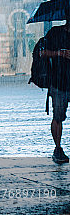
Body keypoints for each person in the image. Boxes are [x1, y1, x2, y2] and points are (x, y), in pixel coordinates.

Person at [40, 19, 70, 164]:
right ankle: (58, 148)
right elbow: (42, 53)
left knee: (58, 116)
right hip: (59, 82)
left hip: (60, 81)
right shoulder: (55, 33)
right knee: (58, 116)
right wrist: (60, 53)